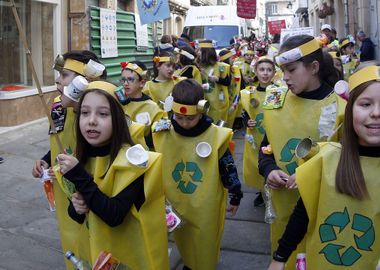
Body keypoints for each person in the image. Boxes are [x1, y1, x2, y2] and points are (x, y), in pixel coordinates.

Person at [268, 59, 380, 270]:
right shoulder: (325, 160)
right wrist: (279, 258)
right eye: (365, 104)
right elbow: (301, 215)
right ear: (350, 113)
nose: (376, 113)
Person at [56, 83, 169, 268]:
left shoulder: (134, 162)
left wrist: (79, 175)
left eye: (103, 114)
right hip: (95, 250)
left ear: (117, 119)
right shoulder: (80, 159)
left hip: (128, 254)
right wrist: (77, 207)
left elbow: (114, 215)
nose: (91, 120)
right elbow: (75, 212)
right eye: (84, 113)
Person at [259, 35, 345, 270]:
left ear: (314, 67)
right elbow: (266, 148)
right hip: (283, 205)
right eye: (282, 70)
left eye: (291, 70)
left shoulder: (340, 106)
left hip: (325, 211)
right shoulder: (276, 99)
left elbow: (349, 162)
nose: (284, 77)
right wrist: (269, 169)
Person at [151, 79, 243, 270]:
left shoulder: (215, 135)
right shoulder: (162, 132)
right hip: (176, 202)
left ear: (202, 110)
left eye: (190, 118)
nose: (184, 122)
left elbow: (228, 166)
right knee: (184, 239)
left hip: (206, 205)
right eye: (179, 117)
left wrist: (235, 193)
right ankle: (190, 263)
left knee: (206, 241)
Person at [31, 51, 105, 261]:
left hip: (88, 196)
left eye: (63, 75)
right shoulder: (56, 104)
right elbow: (58, 140)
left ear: (83, 82)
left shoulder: (98, 116)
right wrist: (46, 159)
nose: (57, 80)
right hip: (64, 194)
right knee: (71, 246)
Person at [240, 56, 276, 207]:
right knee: (257, 164)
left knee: (271, 162)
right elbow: (245, 113)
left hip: (273, 136)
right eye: (262, 70)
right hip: (255, 137)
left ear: (274, 73)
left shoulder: (278, 92)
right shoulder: (249, 94)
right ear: (256, 71)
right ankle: (262, 192)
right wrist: (247, 122)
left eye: (269, 70)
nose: (265, 73)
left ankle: (272, 192)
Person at [120, 61, 166, 125]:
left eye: (130, 79)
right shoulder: (119, 103)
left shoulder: (153, 108)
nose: (125, 83)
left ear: (142, 83)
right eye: (123, 79)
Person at [196, 40, 231, 124]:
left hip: (218, 104)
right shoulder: (196, 66)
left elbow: (228, 82)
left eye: (199, 50)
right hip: (202, 102)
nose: (197, 52)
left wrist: (217, 79)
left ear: (206, 53)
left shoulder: (222, 67)